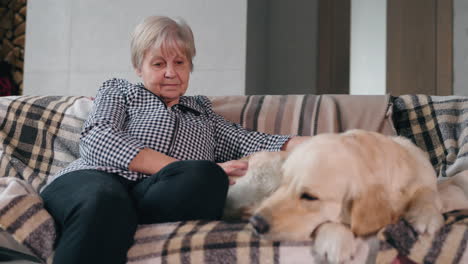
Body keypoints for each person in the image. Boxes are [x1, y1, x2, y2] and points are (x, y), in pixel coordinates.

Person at [40, 16, 309, 264]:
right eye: (158, 64)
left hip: (157, 198)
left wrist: (323, 145)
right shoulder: (119, 91)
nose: (171, 72)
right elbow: (99, 139)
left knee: (207, 176)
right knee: (104, 201)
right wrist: (175, 167)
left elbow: (253, 141)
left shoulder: (203, 114)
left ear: (190, 66)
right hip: (96, 179)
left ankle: (126, 217)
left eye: (179, 62)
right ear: (138, 68)